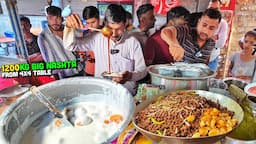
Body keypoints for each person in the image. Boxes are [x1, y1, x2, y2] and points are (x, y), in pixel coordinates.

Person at [63, 4, 147, 95]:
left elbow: (142, 70)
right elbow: (70, 46)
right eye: (110, 28)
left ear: (125, 23)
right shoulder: (96, 38)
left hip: (127, 93)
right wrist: (68, 27)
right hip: (102, 93)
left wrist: (130, 76)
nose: (114, 34)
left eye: (118, 29)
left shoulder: (132, 42)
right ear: (105, 23)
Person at [38, 6, 82, 79]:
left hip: (80, 69)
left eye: (57, 18)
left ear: (62, 18)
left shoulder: (69, 28)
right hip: (64, 75)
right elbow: (50, 62)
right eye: (51, 18)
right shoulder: (43, 37)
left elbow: (80, 38)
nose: (55, 22)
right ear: (47, 19)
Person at [79, 6, 102, 76]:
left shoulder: (106, 32)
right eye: (88, 23)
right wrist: (83, 56)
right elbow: (81, 52)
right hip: (89, 70)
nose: (91, 26)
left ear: (99, 19)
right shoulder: (85, 34)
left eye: (93, 22)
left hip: (103, 70)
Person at [207, 0, 229, 71]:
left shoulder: (223, 23)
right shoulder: (200, 20)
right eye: (211, 9)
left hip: (213, 58)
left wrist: (206, 38)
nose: (214, 12)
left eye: (216, 9)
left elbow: (220, 44)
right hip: (197, 58)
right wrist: (213, 38)